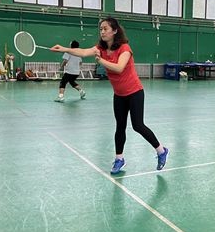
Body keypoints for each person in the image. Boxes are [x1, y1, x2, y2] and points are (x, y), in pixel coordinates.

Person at [51, 17, 169, 174]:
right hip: (119, 95)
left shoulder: (124, 48)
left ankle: (161, 150)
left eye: (105, 29)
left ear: (115, 31)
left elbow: (119, 68)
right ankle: (119, 159)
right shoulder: (100, 48)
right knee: (120, 127)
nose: (102, 32)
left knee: (138, 125)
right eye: (101, 29)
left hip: (134, 92)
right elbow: (83, 52)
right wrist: (64, 49)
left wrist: (101, 61)